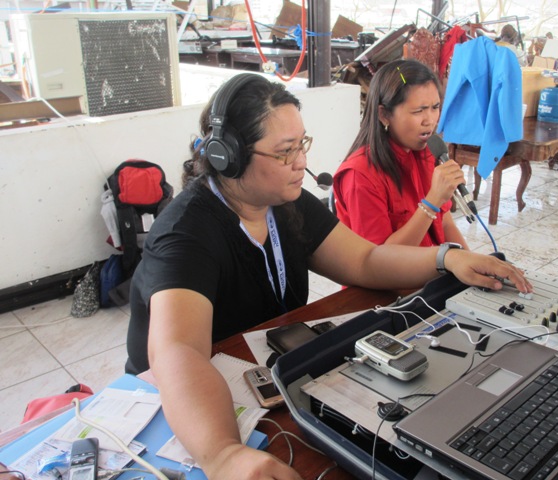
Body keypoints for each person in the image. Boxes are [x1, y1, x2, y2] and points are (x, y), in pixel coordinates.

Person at [125, 72, 532, 480]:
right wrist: (223, 455)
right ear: (226, 157)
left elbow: (366, 260)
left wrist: (445, 260)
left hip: (266, 379)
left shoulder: (287, 202)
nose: (302, 162)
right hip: (191, 405)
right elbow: (177, 353)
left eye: (302, 144)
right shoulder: (186, 232)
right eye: (285, 152)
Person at [333, 59, 470, 252]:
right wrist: (431, 203)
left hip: (431, 269)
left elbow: (445, 223)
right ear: (384, 115)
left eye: (435, 107)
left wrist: (471, 263)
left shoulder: (428, 153)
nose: (429, 120)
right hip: (389, 279)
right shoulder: (360, 176)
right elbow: (379, 262)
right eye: (418, 111)